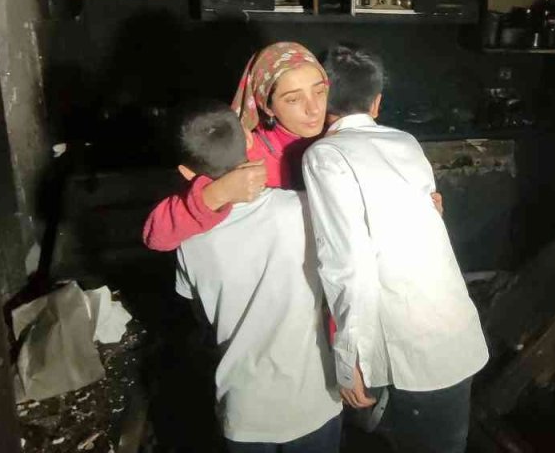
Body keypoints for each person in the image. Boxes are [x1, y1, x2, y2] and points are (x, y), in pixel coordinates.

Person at [302, 45, 488, 453]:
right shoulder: (405, 141)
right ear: (377, 102)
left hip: (414, 351)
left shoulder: (326, 156)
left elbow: (347, 265)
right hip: (455, 331)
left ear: (321, 99)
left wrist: (348, 359)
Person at [172, 102, 343, 453]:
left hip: (243, 409)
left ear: (186, 173)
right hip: (314, 400)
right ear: (249, 141)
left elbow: (199, 314)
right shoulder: (302, 209)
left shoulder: (187, 240)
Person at [144, 42, 329, 252]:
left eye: (320, 91)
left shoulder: (343, 140)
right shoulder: (241, 152)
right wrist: (219, 193)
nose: (314, 109)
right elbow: (158, 236)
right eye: (293, 99)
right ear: (267, 106)